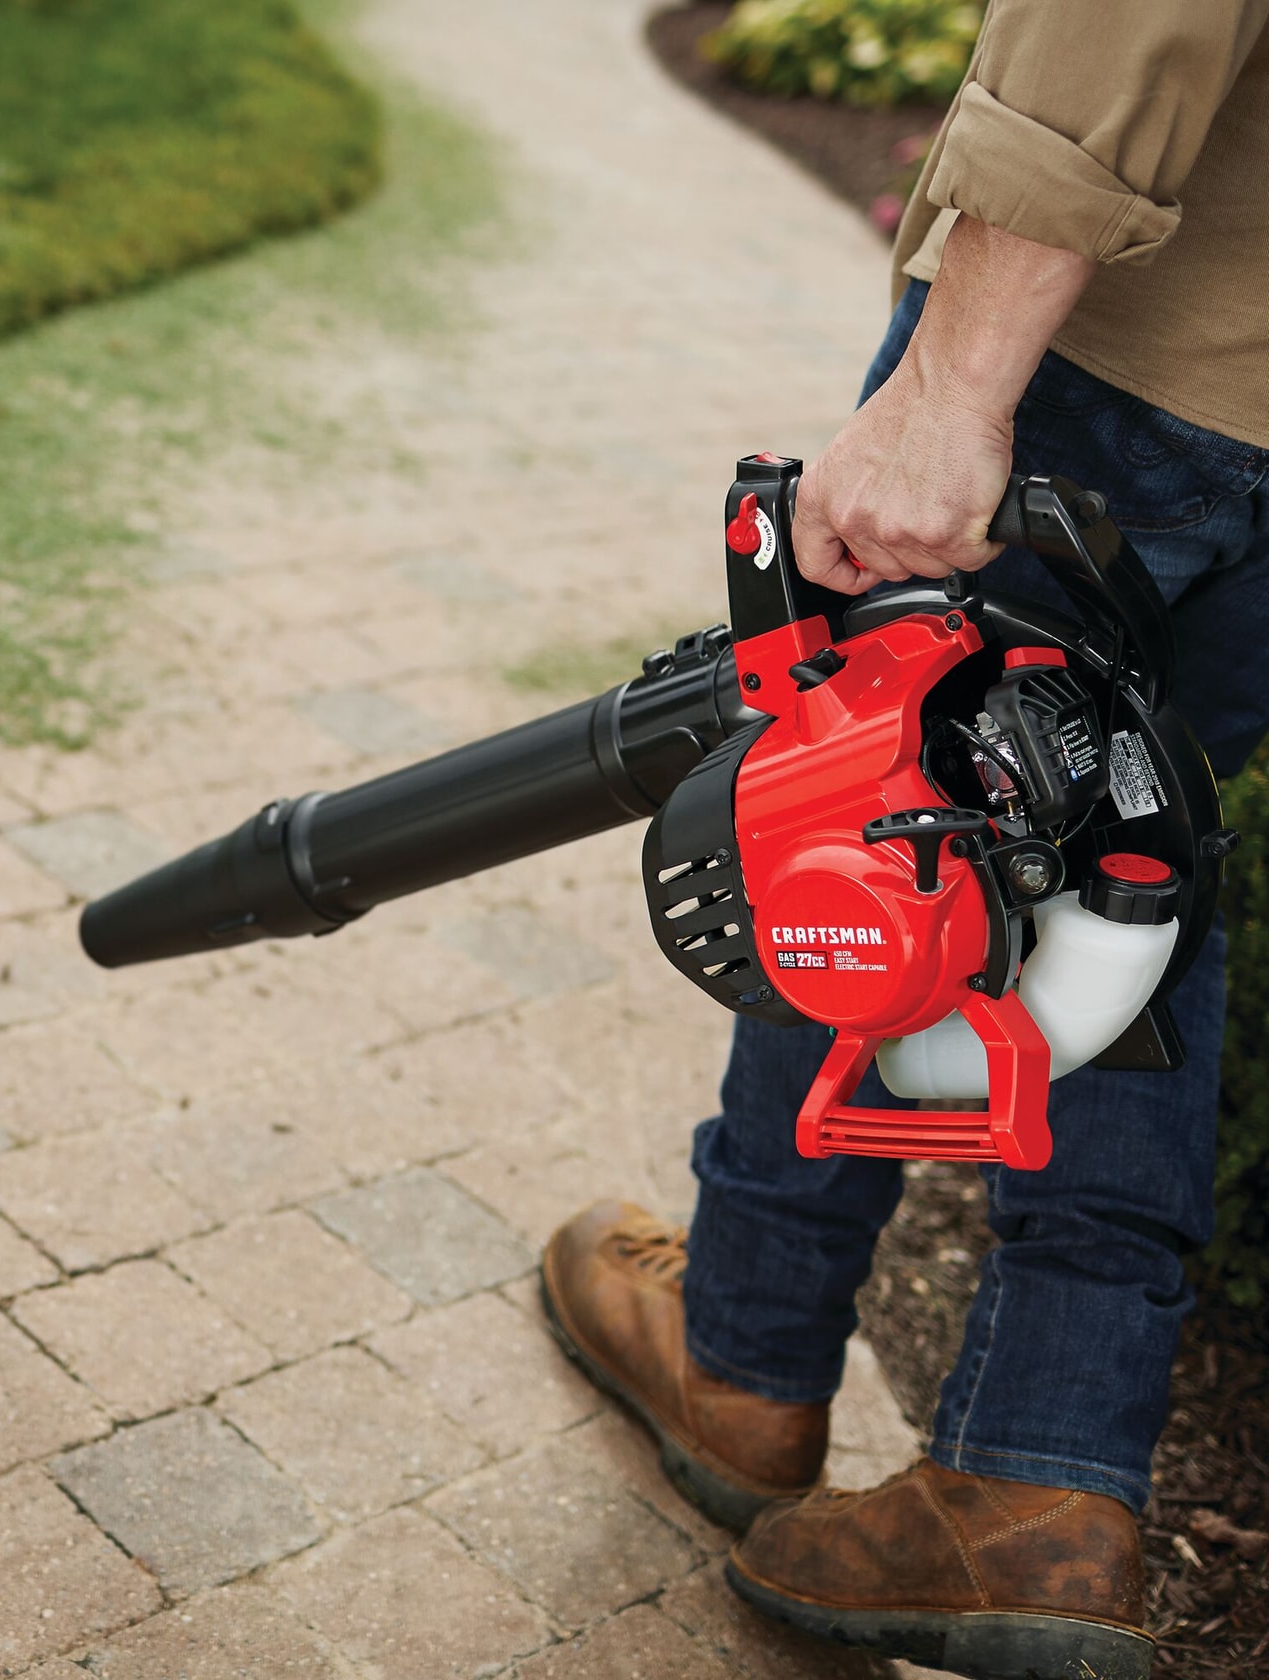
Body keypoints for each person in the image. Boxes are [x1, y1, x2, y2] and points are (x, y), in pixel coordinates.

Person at [542, 6, 1269, 1678]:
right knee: (1129, 867)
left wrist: (956, 384)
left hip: (1134, 362)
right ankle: (1043, 1478)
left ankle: (752, 1368)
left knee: (870, 810)